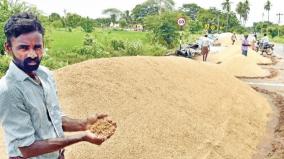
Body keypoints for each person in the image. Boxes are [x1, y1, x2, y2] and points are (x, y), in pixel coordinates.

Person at [0, 12, 116, 159]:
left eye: (37, 47)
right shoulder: (8, 90)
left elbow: (52, 118)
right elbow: (27, 149)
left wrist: (84, 124)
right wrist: (82, 136)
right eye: (23, 48)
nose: (33, 54)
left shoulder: (45, 74)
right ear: (8, 48)